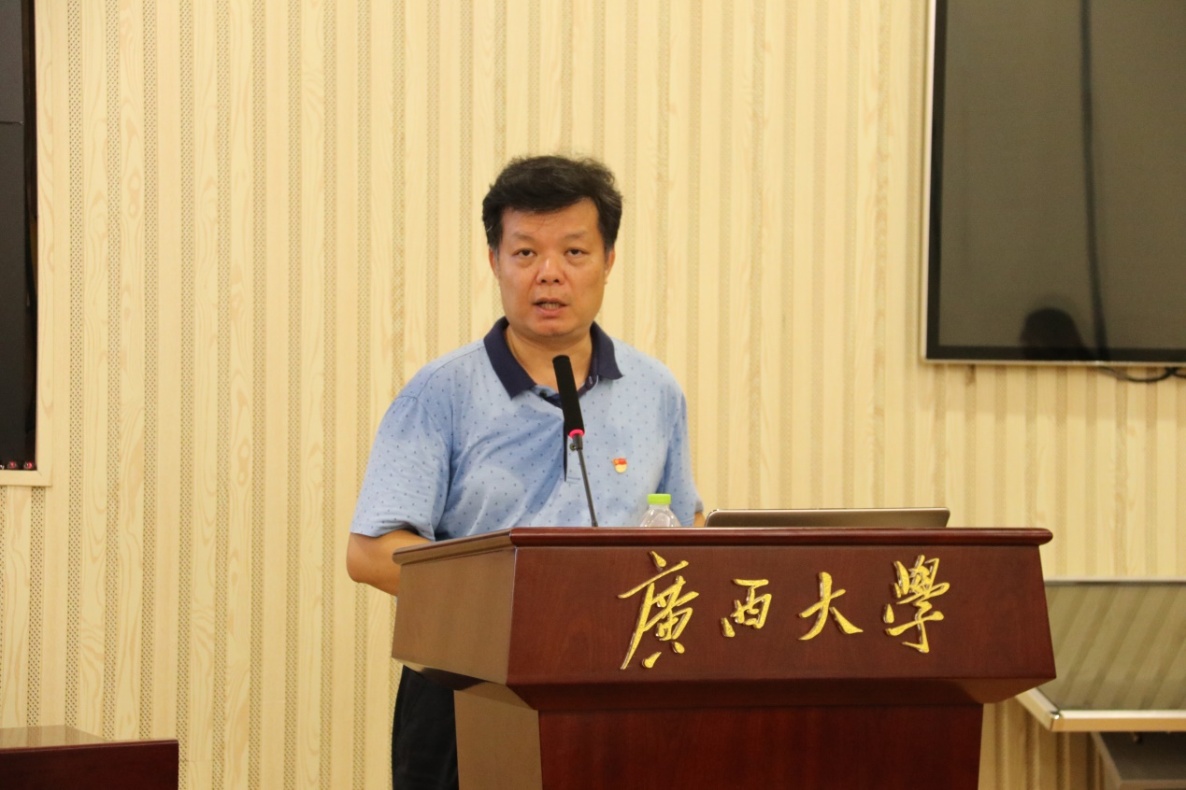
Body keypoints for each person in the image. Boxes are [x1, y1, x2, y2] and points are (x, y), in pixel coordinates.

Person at [346, 154, 703, 789]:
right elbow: (372, 553)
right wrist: (520, 598)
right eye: (525, 253)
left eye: (574, 252)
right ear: (494, 261)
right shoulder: (442, 392)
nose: (549, 274)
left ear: (609, 260)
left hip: (620, 682)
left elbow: (684, 523)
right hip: (468, 688)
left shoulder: (655, 391)